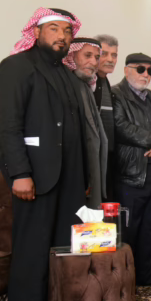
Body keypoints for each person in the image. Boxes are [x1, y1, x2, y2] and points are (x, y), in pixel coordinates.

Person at [0, 7, 86, 301]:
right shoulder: (16, 66)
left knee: (63, 248)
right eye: (54, 29)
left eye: (67, 31)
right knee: (32, 248)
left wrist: (84, 177)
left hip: (69, 177)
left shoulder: (67, 73)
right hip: (35, 175)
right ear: (36, 32)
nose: (62, 36)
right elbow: (10, 126)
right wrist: (20, 173)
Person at [113, 53, 151, 288]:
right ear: (126, 70)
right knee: (129, 229)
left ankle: (147, 276)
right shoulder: (115, 94)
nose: (145, 75)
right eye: (140, 69)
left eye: (150, 71)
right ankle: (126, 280)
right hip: (131, 174)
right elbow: (121, 127)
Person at [64, 37, 108, 209]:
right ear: (72, 55)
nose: (94, 62)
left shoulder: (84, 86)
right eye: (87, 55)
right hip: (73, 173)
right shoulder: (67, 85)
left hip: (88, 170)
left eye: (96, 57)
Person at [95, 34, 118, 200]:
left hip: (108, 157)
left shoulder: (105, 82)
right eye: (104, 54)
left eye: (114, 55)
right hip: (94, 158)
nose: (110, 59)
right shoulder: (87, 83)